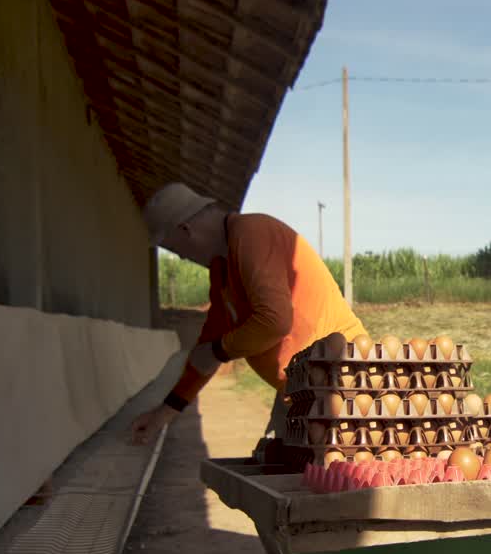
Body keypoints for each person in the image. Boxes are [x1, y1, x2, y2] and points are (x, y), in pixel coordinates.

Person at [130, 181, 367, 462]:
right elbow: (208, 344)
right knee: (285, 474)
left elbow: (274, 321)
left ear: (186, 230)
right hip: (300, 391)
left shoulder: (253, 234)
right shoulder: (222, 270)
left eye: (174, 247)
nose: (182, 256)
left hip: (338, 383)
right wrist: (166, 410)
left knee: (334, 483)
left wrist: (220, 350)